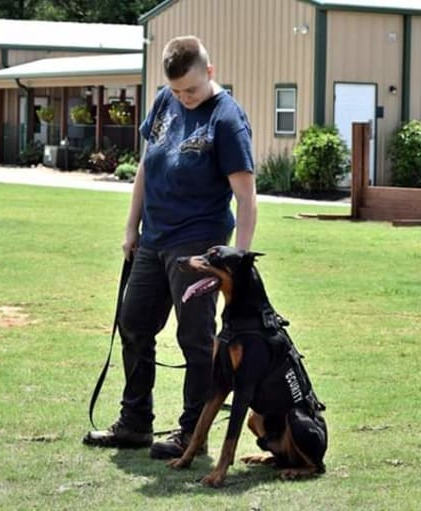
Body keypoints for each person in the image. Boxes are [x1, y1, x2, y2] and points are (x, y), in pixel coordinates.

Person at [84, 35, 257, 459]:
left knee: (195, 338)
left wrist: (239, 261)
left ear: (210, 73)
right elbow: (148, 164)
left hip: (199, 241)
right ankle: (135, 423)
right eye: (177, 90)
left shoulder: (227, 120)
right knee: (134, 323)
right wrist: (131, 227)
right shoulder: (165, 101)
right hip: (154, 237)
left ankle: (191, 434)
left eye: (191, 90)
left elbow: (247, 197)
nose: (184, 97)